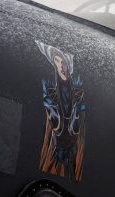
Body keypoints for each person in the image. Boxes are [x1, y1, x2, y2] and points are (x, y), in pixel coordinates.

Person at [35, 40, 86, 181]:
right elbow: (49, 110)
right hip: (58, 138)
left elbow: (81, 114)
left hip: (73, 138)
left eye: (62, 61)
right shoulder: (51, 88)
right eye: (56, 61)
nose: (60, 65)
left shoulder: (77, 88)